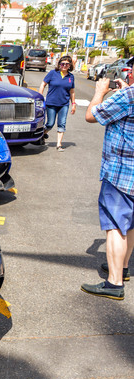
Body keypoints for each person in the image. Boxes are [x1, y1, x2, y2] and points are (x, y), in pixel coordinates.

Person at [82, 62, 134, 301]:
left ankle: (113, 283)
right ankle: (121, 269)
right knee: (130, 225)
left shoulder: (127, 96)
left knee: (115, 225)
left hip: (121, 173)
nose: (128, 73)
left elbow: (91, 115)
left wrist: (99, 93)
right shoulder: (127, 95)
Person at [38, 55, 76, 151]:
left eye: (67, 64)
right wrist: (40, 96)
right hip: (51, 103)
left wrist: (74, 104)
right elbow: (43, 84)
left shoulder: (71, 77)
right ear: (59, 64)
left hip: (64, 104)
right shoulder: (52, 73)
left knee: (62, 123)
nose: (64, 65)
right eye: (62, 64)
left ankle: (59, 145)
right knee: (50, 123)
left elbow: (72, 91)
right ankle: (43, 133)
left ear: (70, 65)